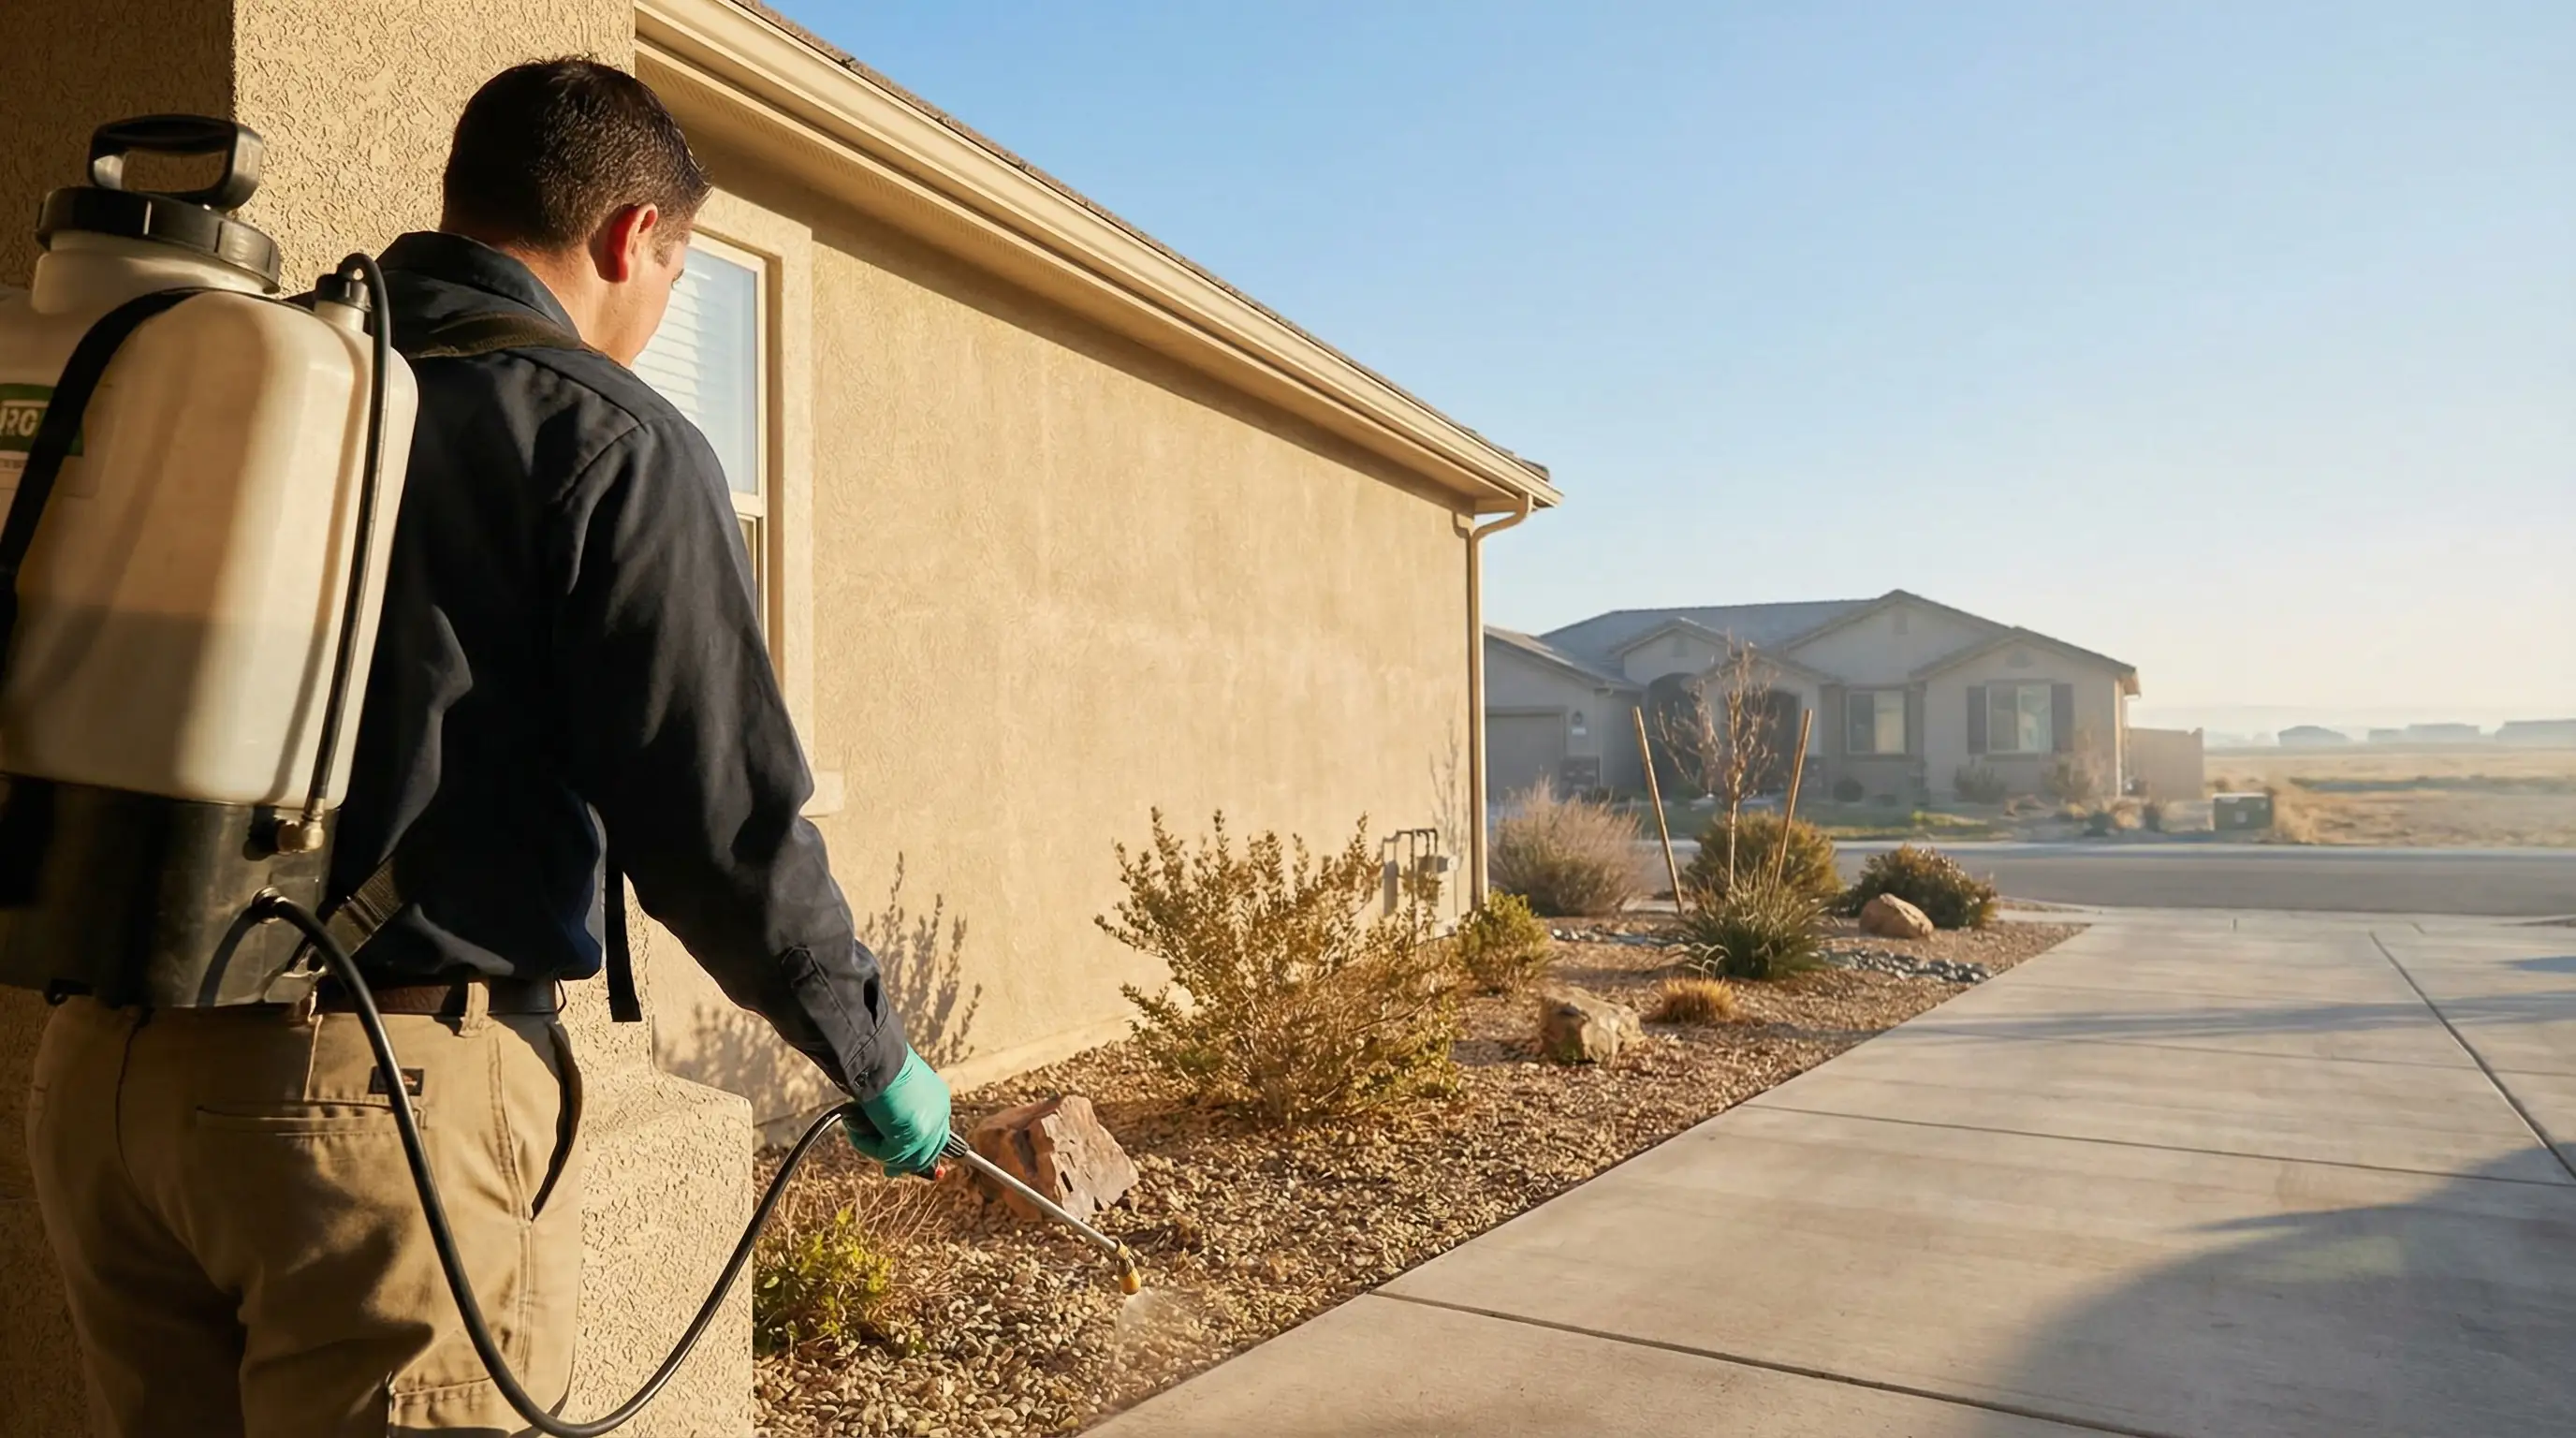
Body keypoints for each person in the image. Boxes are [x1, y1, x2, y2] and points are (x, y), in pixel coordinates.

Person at [25, 59, 951, 1436]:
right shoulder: (607, 436)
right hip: (366, 1125)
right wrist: (872, 1054)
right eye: (678, 274)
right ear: (634, 235)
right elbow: (718, 830)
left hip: (101, 1083)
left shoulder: (265, 376)